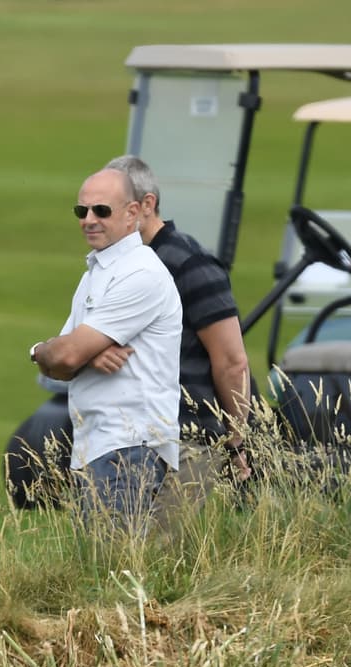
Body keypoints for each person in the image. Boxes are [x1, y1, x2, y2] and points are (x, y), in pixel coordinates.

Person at [30, 167, 182, 525]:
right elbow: (58, 369)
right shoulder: (96, 273)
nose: (89, 220)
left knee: (113, 569)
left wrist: (58, 352)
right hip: (98, 446)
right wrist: (46, 351)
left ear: (132, 213)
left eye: (102, 210)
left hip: (126, 448)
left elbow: (65, 356)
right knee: (104, 569)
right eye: (81, 212)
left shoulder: (140, 273)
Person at [106, 155, 252, 508]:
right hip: (122, 438)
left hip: (184, 440)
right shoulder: (115, 265)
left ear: (147, 205)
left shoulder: (190, 263)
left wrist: (235, 442)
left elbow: (231, 361)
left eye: (110, 209)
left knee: (162, 557)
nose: (99, 220)